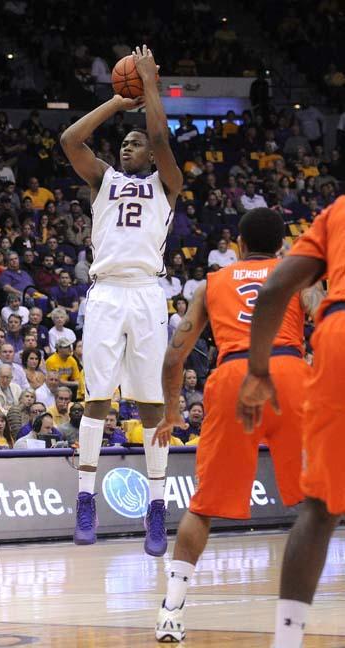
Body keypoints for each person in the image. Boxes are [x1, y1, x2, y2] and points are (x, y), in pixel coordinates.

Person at [152, 208, 320, 642]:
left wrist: (172, 412)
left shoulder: (211, 284)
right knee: (316, 504)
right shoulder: (294, 273)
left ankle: (171, 611)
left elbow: (174, 358)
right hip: (288, 374)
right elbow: (326, 321)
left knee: (204, 506)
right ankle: (290, 628)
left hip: (232, 377)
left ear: (238, 247)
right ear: (281, 245)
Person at [60, 45, 183, 550]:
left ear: (152, 156)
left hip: (147, 294)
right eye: (124, 144)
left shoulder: (167, 183)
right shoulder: (103, 179)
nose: (128, 148)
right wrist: (117, 101)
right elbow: (70, 138)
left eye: (135, 144)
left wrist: (149, 86)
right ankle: (85, 498)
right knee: (97, 398)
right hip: (107, 292)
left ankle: (157, 507)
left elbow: (158, 133)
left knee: (150, 405)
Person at [236, 197, 345, 648]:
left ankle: (287, 641)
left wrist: (258, 371)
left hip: (338, 335)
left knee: (320, 509)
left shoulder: (339, 211)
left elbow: (276, 288)